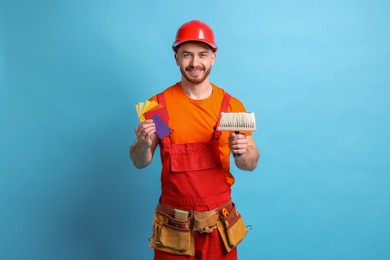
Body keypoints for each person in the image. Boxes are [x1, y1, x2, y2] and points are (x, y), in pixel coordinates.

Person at [130, 20, 260, 260]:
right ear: (176, 57)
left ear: (213, 57)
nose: (194, 63)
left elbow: (250, 163)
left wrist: (243, 152)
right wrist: (141, 144)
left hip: (219, 226)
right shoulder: (158, 107)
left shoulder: (231, 106)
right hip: (174, 228)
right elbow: (141, 161)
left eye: (202, 54)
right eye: (186, 55)